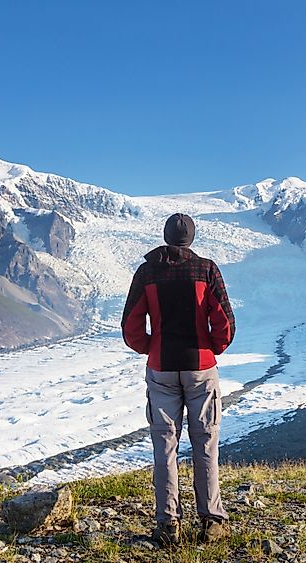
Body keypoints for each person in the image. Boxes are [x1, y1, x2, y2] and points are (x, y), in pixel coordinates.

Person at [121, 213, 235, 546]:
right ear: (192, 238)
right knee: (205, 444)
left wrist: (150, 347)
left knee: (165, 447)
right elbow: (225, 321)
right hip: (201, 367)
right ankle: (211, 520)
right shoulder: (206, 269)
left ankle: (169, 525)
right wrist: (211, 348)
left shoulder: (147, 272)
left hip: (161, 368)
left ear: (166, 235)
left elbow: (131, 325)